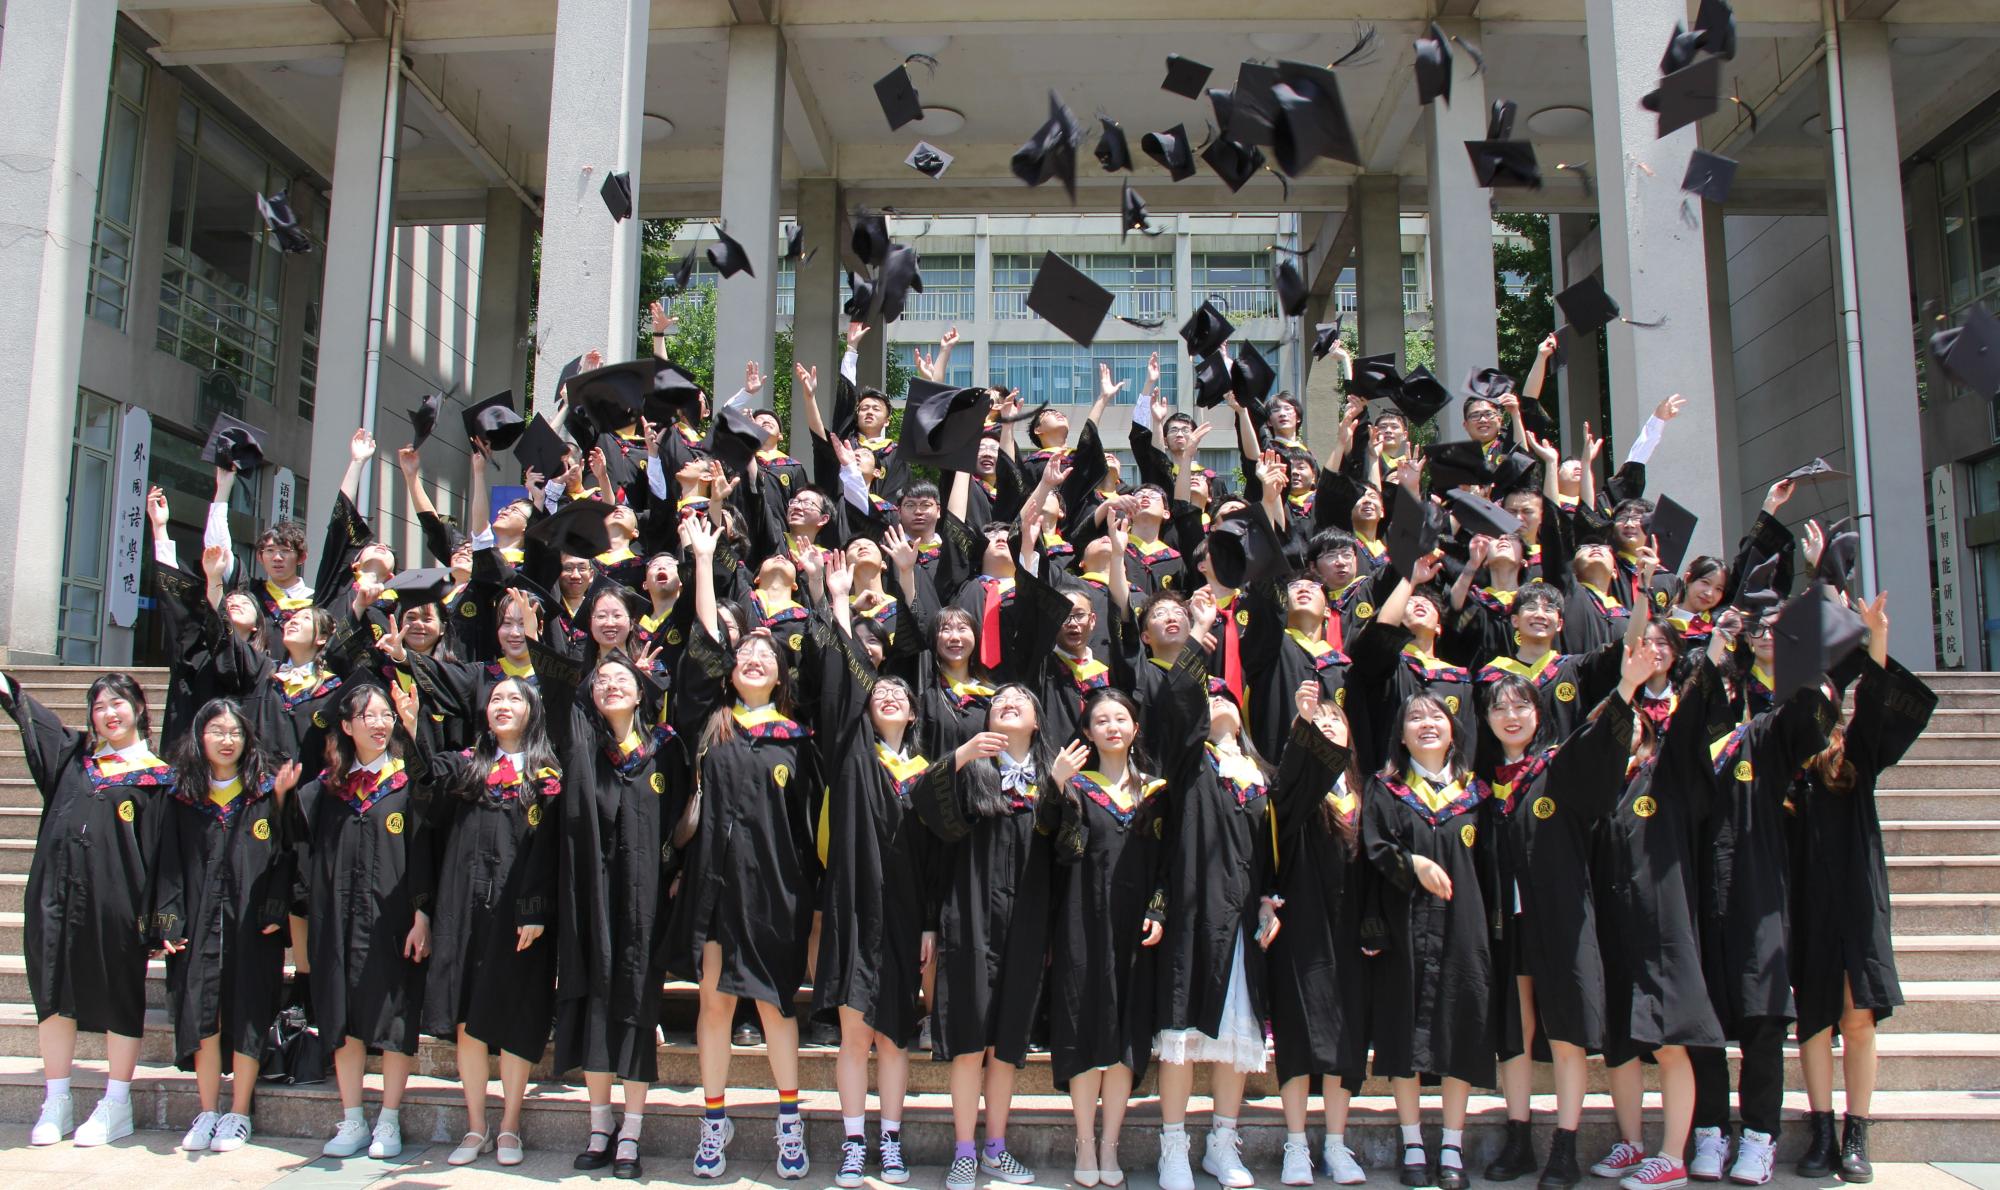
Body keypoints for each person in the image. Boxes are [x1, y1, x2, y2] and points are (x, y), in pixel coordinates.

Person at [668, 513, 821, 1181]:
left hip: (775, 891)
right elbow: (705, 643)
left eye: (767, 654)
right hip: (714, 886)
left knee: (777, 1005)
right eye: (744, 654)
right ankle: (714, 1120)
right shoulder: (713, 724)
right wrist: (704, 562)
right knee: (714, 1003)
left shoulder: (798, 741)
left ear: (781, 673)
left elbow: (808, 830)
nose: (753, 658)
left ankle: (790, 1119)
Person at [1787, 594, 1934, 1183]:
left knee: (1857, 1017)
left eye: (1826, 696)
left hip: (1855, 895)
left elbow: (1875, 703)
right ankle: (1821, 1130)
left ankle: (1856, 1133)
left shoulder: (1855, 756)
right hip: (1805, 900)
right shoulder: (1783, 760)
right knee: (1814, 1019)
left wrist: (1875, 638)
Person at [5, 671, 174, 1148]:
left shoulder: (158, 777)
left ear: (139, 708)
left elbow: (165, 856)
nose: (108, 713)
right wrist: (8, 690)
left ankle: (116, 1103)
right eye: (99, 706)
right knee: (52, 991)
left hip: (116, 902)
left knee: (119, 995)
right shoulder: (73, 761)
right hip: (53, 895)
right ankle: (56, 1099)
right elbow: (36, 721)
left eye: (117, 703)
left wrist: (162, 921)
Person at [411, 675, 563, 1169]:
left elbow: (551, 851)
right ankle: (476, 1125)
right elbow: (422, 786)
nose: (503, 705)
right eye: (496, 698)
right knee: (467, 1017)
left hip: (521, 915)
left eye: (514, 698)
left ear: (532, 710)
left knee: (517, 1015)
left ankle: (510, 1124)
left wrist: (536, 908)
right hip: (464, 908)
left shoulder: (547, 774)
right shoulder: (466, 768)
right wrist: (412, 728)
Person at [920, 684, 1058, 1190]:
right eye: (999, 699)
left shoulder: (1051, 777)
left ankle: (995, 1148)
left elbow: (1069, 852)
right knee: (968, 1039)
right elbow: (925, 809)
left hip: (1027, 921)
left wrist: (1060, 792)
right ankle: (963, 1151)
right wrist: (960, 755)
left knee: (1006, 1042)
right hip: (971, 915)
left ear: (1037, 722)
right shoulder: (970, 771)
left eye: (1021, 698)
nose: (1008, 701)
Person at [289, 683, 432, 1161]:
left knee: (394, 1018)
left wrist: (423, 914)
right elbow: (302, 859)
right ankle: (352, 1117)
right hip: (337, 921)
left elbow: (424, 852)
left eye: (385, 714)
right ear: (347, 726)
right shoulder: (324, 791)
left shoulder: (408, 783)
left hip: (393, 922)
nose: (379, 723)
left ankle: (388, 1118)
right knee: (342, 1016)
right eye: (367, 715)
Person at [1363, 691, 1498, 1190]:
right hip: (1405, 926)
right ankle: (1413, 1142)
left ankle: (1453, 1145)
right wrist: (1412, 863)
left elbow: (1492, 866)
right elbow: (1373, 848)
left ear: (1452, 730)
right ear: (1401, 736)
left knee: (1462, 1025)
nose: (1426, 724)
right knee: (1404, 1029)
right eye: (1414, 718)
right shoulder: (1386, 789)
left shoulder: (1476, 793)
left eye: (1435, 716)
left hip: (1464, 928)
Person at [153, 699, 301, 1154]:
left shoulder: (264, 794)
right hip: (197, 925)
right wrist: (166, 923)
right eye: (217, 730)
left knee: (250, 1010)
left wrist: (275, 911)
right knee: (202, 1011)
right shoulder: (182, 797)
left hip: (252, 926)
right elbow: (166, 866)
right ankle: (207, 1109)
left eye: (235, 732)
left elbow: (286, 855)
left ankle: (238, 1112)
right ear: (199, 737)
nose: (227, 740)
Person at [1044, 688, 1173, 1189]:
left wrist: (1158, 908)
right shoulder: (1076, 785)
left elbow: (1166, 864)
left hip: (1135, 928)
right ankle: (1084, 1139)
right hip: (1082, 920)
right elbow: (1057, 850)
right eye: (1101, 720)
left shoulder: (1157, 792)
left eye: (1121, 718)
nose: (1112, 727)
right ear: (1087, 731)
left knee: (1126, 1030)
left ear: (1136, 728)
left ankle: (1110, 1143)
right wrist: (1057, 788)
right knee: (1083, 1024)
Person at [1266, 685, 1372, 1186]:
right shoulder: (1297, 790)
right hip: (1302, 925)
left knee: (1346, 1035)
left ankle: (1335, 1142)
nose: (1327, 725)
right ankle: (1295, 1144)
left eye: (1335, 721)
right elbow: (1288, 784)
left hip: (1350, 929)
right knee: (1296, 1030)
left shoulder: (1368, 795)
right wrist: (1303, 727)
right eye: (1318, 722)